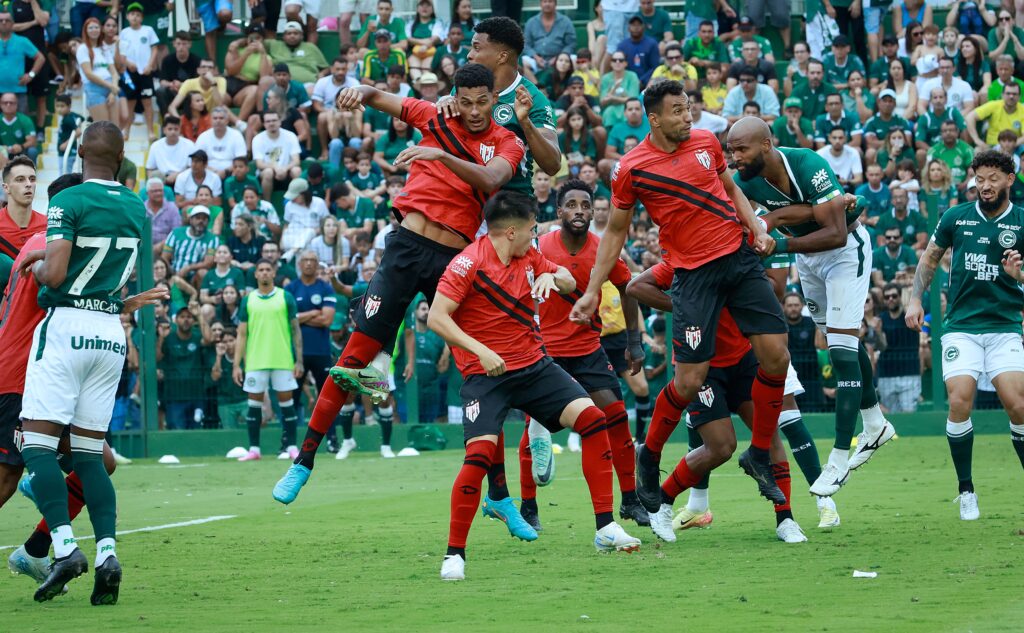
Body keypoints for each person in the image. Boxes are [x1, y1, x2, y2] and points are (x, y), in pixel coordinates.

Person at [271, 63, 525, 505]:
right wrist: (358, 91)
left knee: (477, 369)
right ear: (455, 98)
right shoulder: (434, 115)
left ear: (493, 99)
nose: (473, 111)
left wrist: (439, 156)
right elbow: (376, 96)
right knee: (353, 358)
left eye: (482, 102)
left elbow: (492, 179)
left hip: (454, 260)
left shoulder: (506, 141)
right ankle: (303, 461)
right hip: (406, 248)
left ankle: (499, 495)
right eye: (465, 102)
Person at [573, 82, 791, 513]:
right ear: (654, 118)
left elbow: (731, 189)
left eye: (688, 107)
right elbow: (615, 231)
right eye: (677, 110)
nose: (687, 116)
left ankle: (758, 453)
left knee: (776, 357)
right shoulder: (631, 168)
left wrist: (755, 227)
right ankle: (649, 453)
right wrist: (593, 290)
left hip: (737, 259)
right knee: (689, 381)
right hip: (692, 275)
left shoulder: (707, 142)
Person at [430, 190, 641, 581]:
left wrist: (551, 274)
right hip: (486, 375)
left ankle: (605, 527)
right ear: (511, 231)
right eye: (531, 230)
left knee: (594, 420)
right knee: (479, 457)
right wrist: (481, 351)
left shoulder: (530, 255)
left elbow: (566, 279)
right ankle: (454, 554)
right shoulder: (468, 263)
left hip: (533, 367)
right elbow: (437, 317)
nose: (535, 236)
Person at [1, 171, 163, 591]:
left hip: (50, 368)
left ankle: (38, 549)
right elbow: (59, 288)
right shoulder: (47, 246)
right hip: (20, 375)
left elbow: (78, 295)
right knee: (7, 478)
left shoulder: (53, 246)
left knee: (99, 461)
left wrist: (119, 303)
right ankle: (46, 546)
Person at [728, 116, 895, 499]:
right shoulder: (745, 180)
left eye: (741, 149)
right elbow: (746, 213)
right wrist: (780, 218)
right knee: (843, 343)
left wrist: (780, 236)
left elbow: (835, 232)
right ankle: (875, 424)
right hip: (809, 261)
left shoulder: (808, 163)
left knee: (840, 348)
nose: (736, 158)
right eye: (731, 151)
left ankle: (838, 459)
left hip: (845, 251)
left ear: (766, 145)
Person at [513, 179, 649, 532]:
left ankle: (630, 499)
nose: (579, 211)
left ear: (593, 212)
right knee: (534, 428)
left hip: (588, 349)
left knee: (615, 416)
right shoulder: (539, 247)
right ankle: (528, 505)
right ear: (559, 211)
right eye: (571, 205)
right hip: (545, 353)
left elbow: (628, 287)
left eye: (585, 205)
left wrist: (634, 342)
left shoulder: (602, 250)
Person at [907, 150, 1024, 520]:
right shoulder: (955, 216)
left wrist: (1019, 276)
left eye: (993, 179)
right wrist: (915, 299)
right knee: (959, 401)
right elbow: (930, 258)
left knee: (1018, 405)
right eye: (980, 179)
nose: (984, 185)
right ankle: (966, 489)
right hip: (961, 327)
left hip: (1005, 326)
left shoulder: (1021, 221)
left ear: (1009, 180)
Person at [232, 258, 303, 462]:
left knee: (287, 404)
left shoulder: (285, 297)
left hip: (283, 359)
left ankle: (292, 447)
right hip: (256, 360)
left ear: (273, 273)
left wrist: (299, 360)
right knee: (253, 405)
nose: (264, 272)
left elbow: (296, 330)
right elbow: (241, 334)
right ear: (255, 274)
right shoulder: (248, 300)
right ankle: (254, 449)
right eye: (261, 269)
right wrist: (236, 364)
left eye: (267, 269)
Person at [876, 283, 920, 413]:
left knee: (909, 413)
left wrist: (905, 290)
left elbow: (911, 313)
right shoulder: (881, 319)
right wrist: (878, 332)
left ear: (900, 297)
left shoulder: (909, 315)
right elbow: (882, 346)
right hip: (886, 375)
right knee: (891, 416)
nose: (890, 299)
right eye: (887, 297)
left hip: (909, 372)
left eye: (894, 296)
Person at [119, 3, 159, 144]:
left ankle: (151, 131)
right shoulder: (124, 33)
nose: (135, 17)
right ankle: (126, 130)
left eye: (138, 15)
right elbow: (121, 53)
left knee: (147, 102)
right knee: (130, 102)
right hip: (130, 73)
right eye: (132, 14)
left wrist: (150, 65)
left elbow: (155, 49)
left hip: (145, 72)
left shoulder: (148, 30)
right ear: (127, 16)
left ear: (142, 18)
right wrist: (128, 63)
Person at [0, 155, 44, 264]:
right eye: (20, 179)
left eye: (32, 179)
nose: (28, 184)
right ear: (6, 187)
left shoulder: (48, 225)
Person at [0, 9, 44, 114]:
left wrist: (31, 75)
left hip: (18, 91)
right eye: (0, 20)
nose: (4, 22)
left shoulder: (22, 41)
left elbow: (40, 58)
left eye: (7, 20)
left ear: (12, 23)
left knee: (22, 122)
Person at [252, 110, 302, 200]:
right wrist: (275, 167)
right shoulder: (258, 139)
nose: (271, 123)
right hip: (267, 174)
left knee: (296, 170)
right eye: (268, 121)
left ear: (280, 122)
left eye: (274, 120)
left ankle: (299, 201)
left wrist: (285, 169)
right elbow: (259, 164)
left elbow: (296, 161)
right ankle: (267, 204)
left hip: (287, 172)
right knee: (268, 172)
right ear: (264, 124)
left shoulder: (290, 136)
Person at [163, 205, 217, 285]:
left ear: (208, 222)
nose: (201, 221)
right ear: (191, 220)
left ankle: (198, 293)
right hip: (174, 272)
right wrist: (171, 272)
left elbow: (208, 263)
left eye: (204, 219)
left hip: (194, 277)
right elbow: (164, 257)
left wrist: (189, 268)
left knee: (203, 273)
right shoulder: (176, 233)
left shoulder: (212, 238)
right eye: (198, 218)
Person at [522, 0, 576, 78]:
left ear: (555, 4)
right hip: (537, 59)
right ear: (541, 4)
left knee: (573, 60)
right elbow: (526, 44)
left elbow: (571, 44)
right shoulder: (531, 22)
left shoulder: (566, 21)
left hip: (559, 59)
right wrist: (536, 57)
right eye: (545, 1)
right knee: (524, 61)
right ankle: (537, 85)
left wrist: (558, 58)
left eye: (550, 1)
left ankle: (565, 85)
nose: (547, 4)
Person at [966, 81, 1024, 149]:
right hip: (992, 146)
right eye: (1008, 93)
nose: (1011, 96)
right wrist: (977, 140)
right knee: (977, 150)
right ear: (1002, 95)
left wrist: (1009, 146)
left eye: (1014, 94)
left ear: (1019, 96)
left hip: (1016, 146)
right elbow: (969, 117)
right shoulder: (993, 105)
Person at [195, 106, 248, 179]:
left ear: (227, 121)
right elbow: (197, 159)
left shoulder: (236, 135)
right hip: (207, 173)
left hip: (231, 173)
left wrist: (225, 171)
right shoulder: (203, 136)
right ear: (211, 121)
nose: (218, 121)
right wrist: (213, 172)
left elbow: (241, 159)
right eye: (215, 118)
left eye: (221, 118)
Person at [156, 31, 199, 116]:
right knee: (160, 91)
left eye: (184, 44)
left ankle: (190, 118)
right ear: (174, 44)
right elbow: (162, 81)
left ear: (190, 44)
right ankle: (167, 117)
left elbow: (198, 82)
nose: (181, 47)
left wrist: (182, 85)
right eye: (178, 44)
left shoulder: (196, 60)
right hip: (173, 91)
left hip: (189, 91)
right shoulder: (167, 60)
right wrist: (172, 84)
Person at [146, 115, 195, 185]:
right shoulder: (155, 146)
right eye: (170, 129)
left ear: (180, 130)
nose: (173, 132)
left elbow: (192, 167)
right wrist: (153, 184)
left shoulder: (189, 145)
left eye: (176, 129)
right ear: (164, 130)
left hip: (184, 179)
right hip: (162, 181)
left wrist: (178, 175)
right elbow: (150, 169)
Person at [616, 15, 659, 85]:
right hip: (627, 83)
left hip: (648, 83)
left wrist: (642, 81)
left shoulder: (652, 44)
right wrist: (631, 81)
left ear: (643, 27)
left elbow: (655, 67)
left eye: (638, 25)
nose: (636, 28)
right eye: (633, 25)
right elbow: (619, 66)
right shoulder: (622, 46)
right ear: (628, 28)